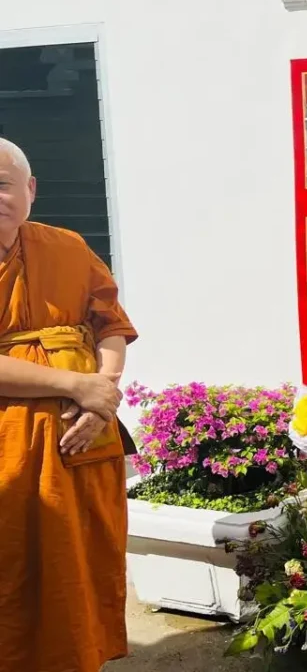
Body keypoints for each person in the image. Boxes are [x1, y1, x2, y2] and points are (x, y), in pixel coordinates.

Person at [0, 138, 138, 671]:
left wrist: (102, 392)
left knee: (80, 564)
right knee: (15, 573)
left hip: (82, 441)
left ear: (30, 190)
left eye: (4, 183)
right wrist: (77, 388)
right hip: (10, 444)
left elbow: (110, 324)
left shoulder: (68, 247)